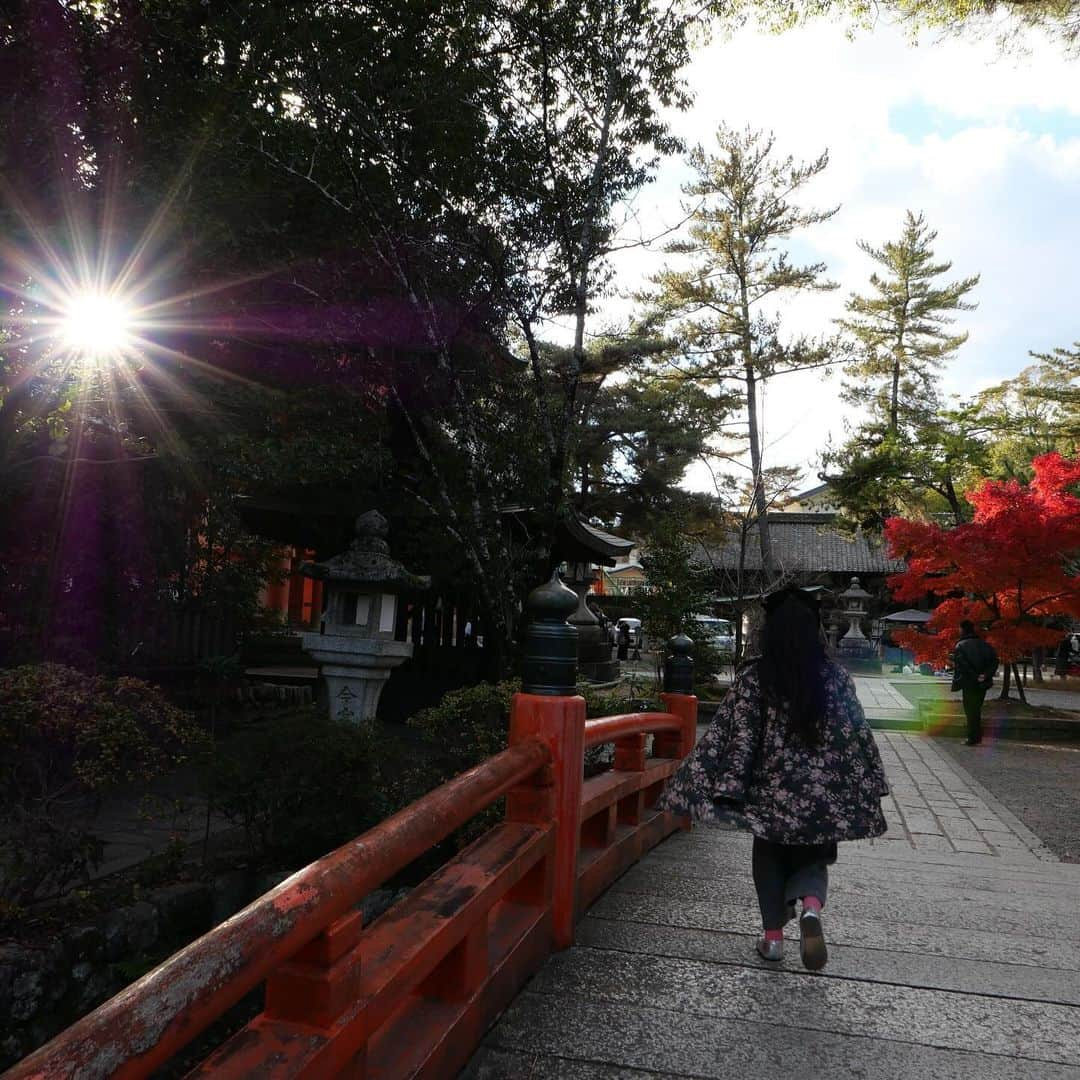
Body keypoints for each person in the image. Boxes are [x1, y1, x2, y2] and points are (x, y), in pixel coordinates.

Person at [658, 587, 889, 972]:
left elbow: (738, 737)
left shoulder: (754, 679)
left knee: (768, 856)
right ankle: (811, 910)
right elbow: (857, 733)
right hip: (823, 794)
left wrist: (726, 785)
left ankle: (773, 939)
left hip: (771, 792)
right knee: (815, 854)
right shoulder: (835, 678)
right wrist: (871, 779)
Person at [951, 620, 998, 745]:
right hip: (982, 682)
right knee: (977, 708)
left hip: (969, 682)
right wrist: (985, 675)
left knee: (970, 710)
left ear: (962, 629)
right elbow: (994, 662)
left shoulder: (960, 645)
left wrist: (975, 676)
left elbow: (963, 665)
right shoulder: (985, 645)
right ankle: (976, 736)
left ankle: (973, 737)